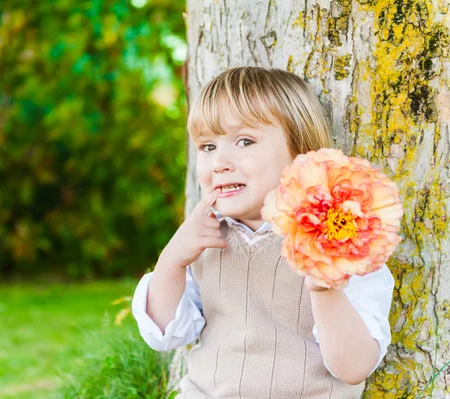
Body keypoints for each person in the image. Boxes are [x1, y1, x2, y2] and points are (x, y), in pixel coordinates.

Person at [131, 66, 395, 398]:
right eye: (207, 146)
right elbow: (166, 334)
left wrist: (326, 290)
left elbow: (354, 368)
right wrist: (171, 260)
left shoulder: (344, 242)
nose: (220, 162)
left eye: (244, 141)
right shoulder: (206, 239)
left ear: (300, 155)